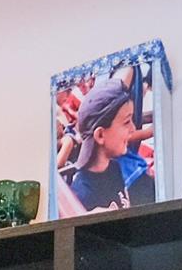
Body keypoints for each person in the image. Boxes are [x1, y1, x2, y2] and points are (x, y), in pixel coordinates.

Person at [62, 72, 153, 214]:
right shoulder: (83, 195)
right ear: (100, 135)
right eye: (126, 122)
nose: (133, 129)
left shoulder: (114, 168)